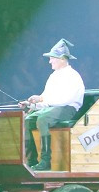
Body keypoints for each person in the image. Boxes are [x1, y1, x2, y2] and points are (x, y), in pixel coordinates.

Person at [20, 38, 85, 171]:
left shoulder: (73, 76)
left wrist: (41, 99)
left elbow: (64, 100)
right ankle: (31, 160)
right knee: (28, 120)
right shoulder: (53, 76)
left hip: (68, 109)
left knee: (43, 119)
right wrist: (32, 105)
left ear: (62, 58)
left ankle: (45, 161)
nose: (50, 61)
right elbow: (46, 100)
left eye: (52, 58)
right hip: (53, 108)